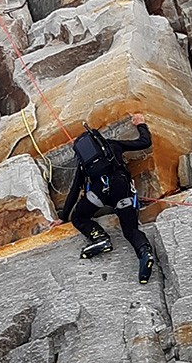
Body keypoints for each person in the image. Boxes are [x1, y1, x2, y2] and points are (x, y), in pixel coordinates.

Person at [59, 113, 156, 284]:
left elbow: (75, 190)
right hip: (122, 190)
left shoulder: (84, 163)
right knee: (130, 230)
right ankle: (144, 253)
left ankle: (100, 238)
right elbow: (145, 142)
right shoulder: (112, 145)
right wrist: (140, 124)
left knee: (79, 217)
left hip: (99, 193)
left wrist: (62, 217)